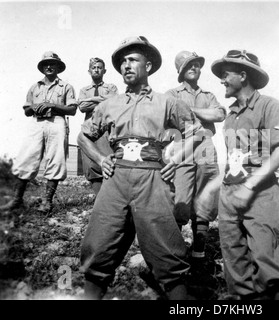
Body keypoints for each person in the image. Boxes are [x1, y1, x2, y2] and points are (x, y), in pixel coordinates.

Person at [77, 36, 205, 300]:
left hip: (153, 180)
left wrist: (176, 159)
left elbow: (195, 133)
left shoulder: (166, 102)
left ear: (148, 66)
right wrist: (101, 159)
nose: (126, 65)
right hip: (116, 178)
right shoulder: (109, 104)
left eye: (133, 60)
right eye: (122, 61)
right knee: (98, 247)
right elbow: (83, 136)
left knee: (166, 251)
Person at [195, 50, 279, 300]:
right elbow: (234, 163)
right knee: (236, 268)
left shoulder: (269, 106)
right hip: (229, 195)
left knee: (271, 267)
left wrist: (250, 186)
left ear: (243, 75)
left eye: (226, 75)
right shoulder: (231, 117)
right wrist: (210, 189)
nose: (222, 80)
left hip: (260, 193)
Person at [165, 51, 226, 260]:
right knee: (181, 196)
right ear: (180, 70)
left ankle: (199, 249)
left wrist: (190, 110)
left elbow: (219, 114)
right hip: (181, 145)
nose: (194, 68)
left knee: (206, 196)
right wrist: (202, 113)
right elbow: (169, 116)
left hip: (206, 146)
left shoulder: (208, 95)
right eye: (189, 65)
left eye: (197, 65)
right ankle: (175, 251)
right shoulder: (172, 94)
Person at [0, 51, 77, 215]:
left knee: (56, 159)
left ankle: (47, 202)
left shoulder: (66, 87)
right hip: (36, 122)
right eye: (45, 64)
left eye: (52, 64)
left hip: (56, 122)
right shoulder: (35, 87)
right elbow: (26, 110)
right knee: (27, 157)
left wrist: (52, 105)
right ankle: (17, 200)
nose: (49, 66)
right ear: (42, 68)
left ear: (58, 67)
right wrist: (33, 107)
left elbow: (72, 109)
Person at [78, 57, 118, 195]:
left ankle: (109, 199)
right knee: (90, 165)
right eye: (94, 67)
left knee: (107, 161)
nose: (96, 69)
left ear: (104, 70)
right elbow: (82, 107)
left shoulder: (111, 87)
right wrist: (101, 100)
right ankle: (98, 199)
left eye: (99, 67)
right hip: (89, 129)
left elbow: (113, 102)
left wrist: (90, 100)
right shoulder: (84, 90)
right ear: (89, 71)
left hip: (105, 129)